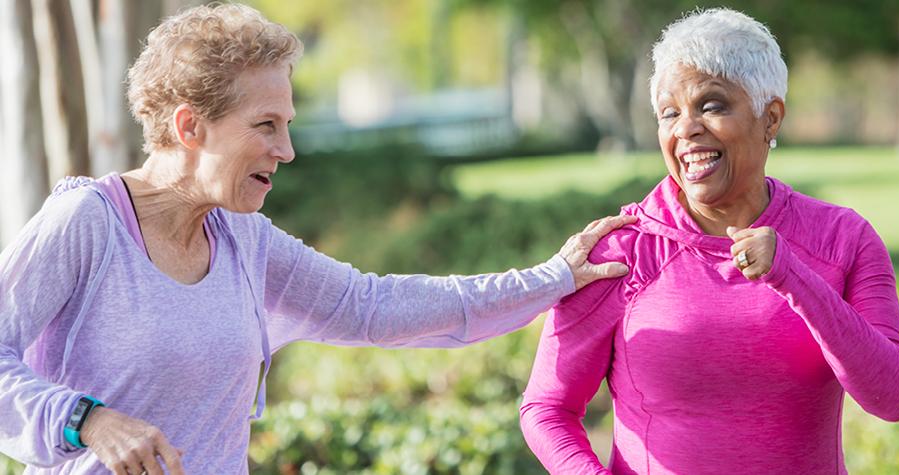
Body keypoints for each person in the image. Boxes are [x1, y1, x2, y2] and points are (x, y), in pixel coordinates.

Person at [0, 4, 634, 473]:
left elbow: (374, 306)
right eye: (266, 125)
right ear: (190, 126)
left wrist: (550, 278)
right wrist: (88, 420)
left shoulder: (243, 239)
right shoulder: (87, 222)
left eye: (289, 124)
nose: (288, 150)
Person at [519, 8, 899, 474]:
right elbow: (547, 408)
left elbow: (894, 398)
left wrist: (792, 276)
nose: (685, 128)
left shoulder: (843, 239)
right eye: (669, 113)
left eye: (711, 105)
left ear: (770, 119)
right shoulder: (618, 251)